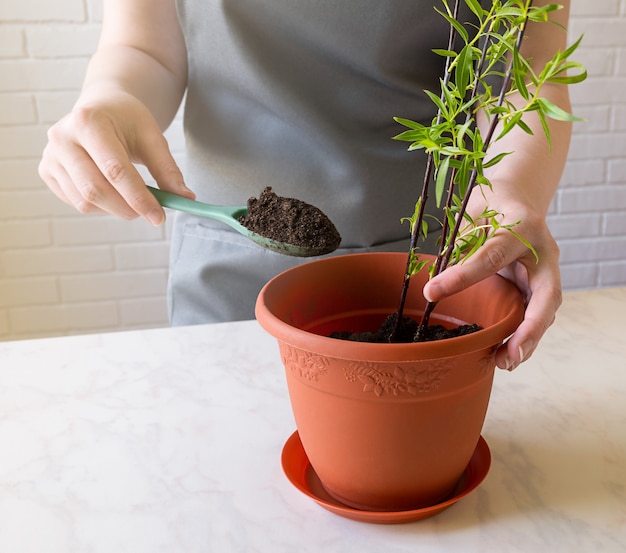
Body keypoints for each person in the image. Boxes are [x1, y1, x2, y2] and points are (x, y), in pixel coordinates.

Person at [39, 0, 573, 372]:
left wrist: (512, 187)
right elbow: (144, 46)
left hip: (428, 271)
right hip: (227, 273)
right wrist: (109, 100)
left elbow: (526, 69)